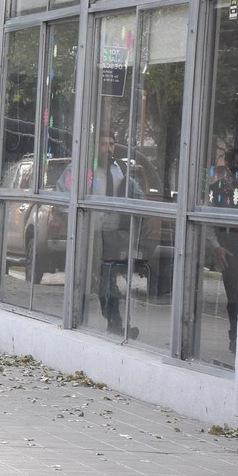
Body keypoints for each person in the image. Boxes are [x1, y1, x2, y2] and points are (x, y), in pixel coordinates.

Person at [91, 133, 137, 338]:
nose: (107, 148)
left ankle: (115, 322)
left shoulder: (120, 169)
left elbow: (134, 192)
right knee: (101, 279)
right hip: (92, 231)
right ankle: (111, 321)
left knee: (108, 278)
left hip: (113, 232)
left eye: (111, 144)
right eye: (103, 144)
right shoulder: (87, 169)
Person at [207, 146, 238, 352]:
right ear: (229, 165)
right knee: (233, 295)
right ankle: (235, 335)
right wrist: (217, 247)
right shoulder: (217, 189)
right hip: (228, 245)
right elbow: (208, 221)